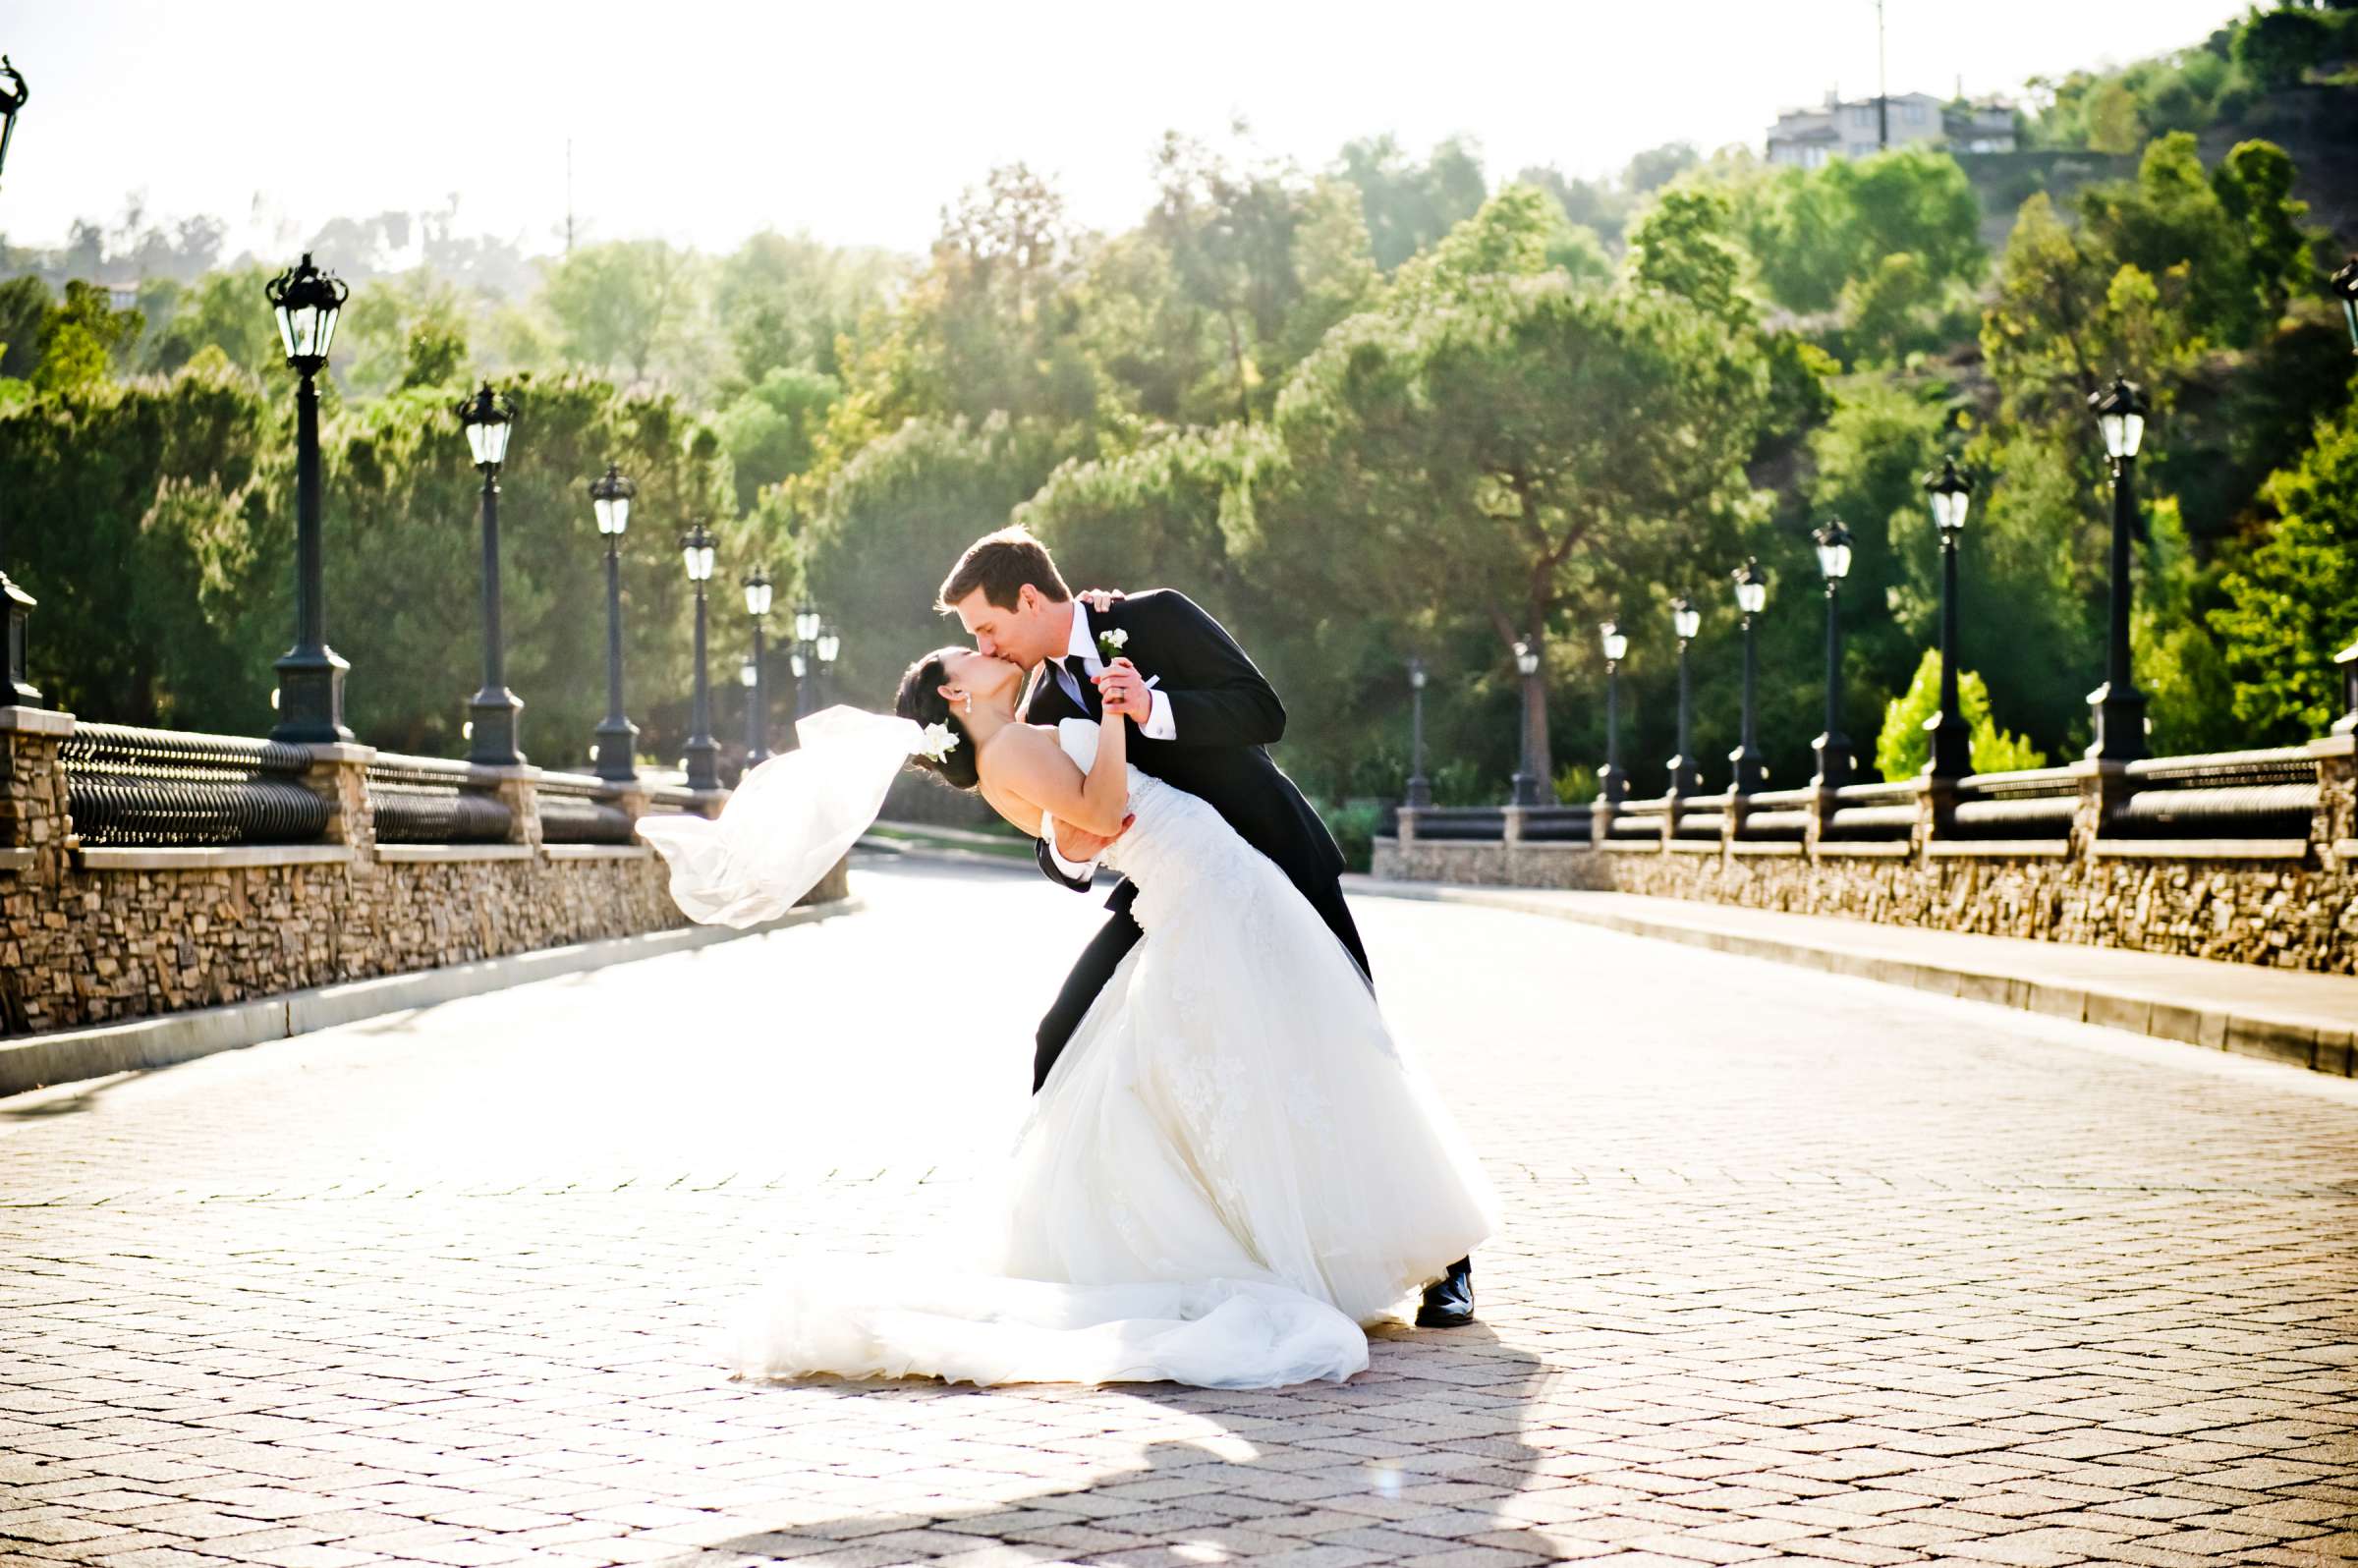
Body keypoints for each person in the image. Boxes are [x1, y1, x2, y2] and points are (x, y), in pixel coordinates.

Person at [934, 527, 1475, 1330]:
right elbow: (1062, 843)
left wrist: (1150, 707)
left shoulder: (1151, 619)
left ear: (1028, 598)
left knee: (1350, 1040)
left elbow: (1264, 712)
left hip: (1273, 857)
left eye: (987, 628)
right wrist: (1070, 850)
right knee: (1062, 1036)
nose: (984, 645)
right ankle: (1121, 1244)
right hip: (1172, 891)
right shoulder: (1037, 707)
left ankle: (1446, 1262)